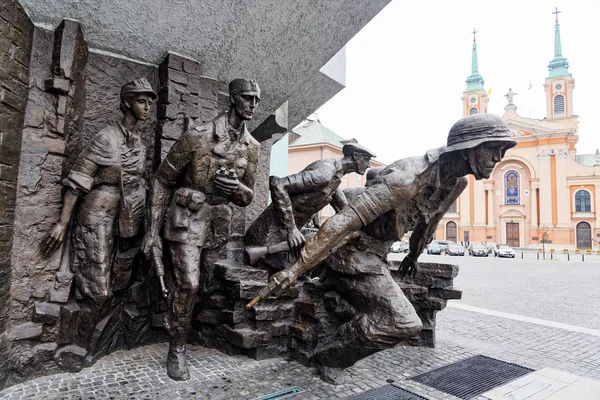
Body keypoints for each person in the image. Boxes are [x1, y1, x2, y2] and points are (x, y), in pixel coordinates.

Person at [250, 113, 516, 303]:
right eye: (492, 148)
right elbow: (344, 220)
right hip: (355, 243)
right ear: (467, 149)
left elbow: (429, 223)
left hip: (371, 245)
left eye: (502, 151)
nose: (498, 159)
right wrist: (294, 269)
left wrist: (414, 255)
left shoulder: (456, 184)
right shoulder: (407, 178)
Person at [142, 79, 261, 381]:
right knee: (190, 285)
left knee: (205, 285)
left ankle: (178, 317)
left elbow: (249, 196)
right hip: (186, 219)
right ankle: (176, 348)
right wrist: (152, 232)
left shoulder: (252, 147)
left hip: (217, 226)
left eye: (257, 101)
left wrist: (237, 189)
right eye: (248, 98)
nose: (253, 105)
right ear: (234, 99)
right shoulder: (196, 137)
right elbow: (162, 180)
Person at [41, 78, 155, 304]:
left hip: (127, 217)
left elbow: (141, 180)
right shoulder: (106, 138)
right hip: (96, 216)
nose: (147, 108)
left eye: (150, 103)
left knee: (119, 283)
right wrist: (62, 224)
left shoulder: (140, 145)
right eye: (142, 102)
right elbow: (77, 182)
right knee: (98, 288)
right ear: (126, 103)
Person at [244, 141, 375, 266]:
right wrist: (291, 229)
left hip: (285, 241)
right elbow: (278, 184)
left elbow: (347, 213)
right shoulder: (325, 174)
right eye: (366, 159)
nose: (369, 165)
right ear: (356, 155)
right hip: (266, 236)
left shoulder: (335, 179)